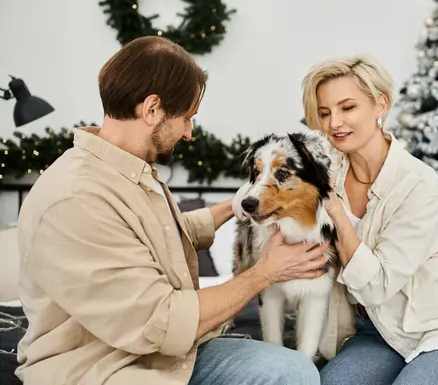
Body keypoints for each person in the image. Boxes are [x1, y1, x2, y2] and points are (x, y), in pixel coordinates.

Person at [14, 36, 328, 385]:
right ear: (151, 109)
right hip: (102, 368)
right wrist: (263, 273)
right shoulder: (75, 197)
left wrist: (235, 205)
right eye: (187, 118)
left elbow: (164, 236)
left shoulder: (126, 171)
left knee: (294, 370)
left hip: (162, 355)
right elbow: (160, 322)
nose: (190, 133)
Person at [300, 55, 438, 384]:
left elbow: (377, 287)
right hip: (376, 333)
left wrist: (335, 210)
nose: (334, 123)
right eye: (325, 113)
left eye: (348, 108)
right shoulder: (327, 169)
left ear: (380, 106)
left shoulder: (418, 183)